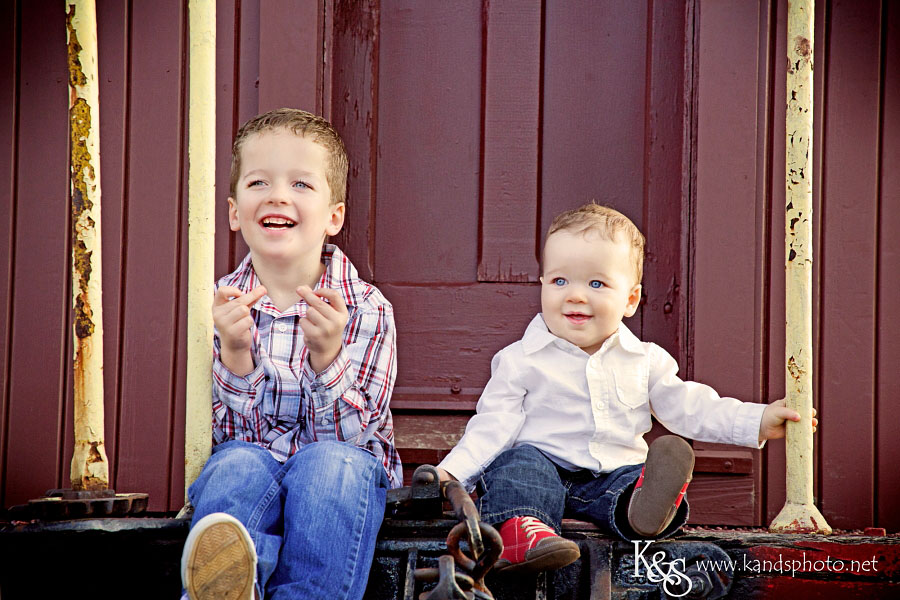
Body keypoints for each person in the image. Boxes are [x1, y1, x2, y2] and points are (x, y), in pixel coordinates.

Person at [436, 203, 817, 573]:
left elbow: (690, 406)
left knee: (634, 479)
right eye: (559, 281)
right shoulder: (520, 359)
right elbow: (493, 426)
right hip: (543, 469)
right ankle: (525, 533)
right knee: (516, 466)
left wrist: (757, 421)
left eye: (597, 283)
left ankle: (644, 512)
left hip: (609, 478)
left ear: (631, 299)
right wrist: (451, 474)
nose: (575, 295)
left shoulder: (645, 360)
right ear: (542, 285)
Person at [179, 108, 400, 600]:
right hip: (251, 464)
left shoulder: (365, 308)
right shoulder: (216, 308)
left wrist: (327, 357)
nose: (279, 195)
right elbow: (232, 440)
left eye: (301, 185)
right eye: (259, 182)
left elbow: (350, 439)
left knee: (329, 468)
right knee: (235, 466)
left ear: (334, 216)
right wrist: (235, 353)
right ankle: (226, 589)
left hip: (342, 471)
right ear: (235, 211)